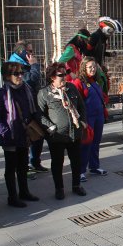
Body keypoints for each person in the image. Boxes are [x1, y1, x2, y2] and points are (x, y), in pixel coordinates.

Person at [0, 61, 39, 207]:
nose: (20, 76)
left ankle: (24, 192)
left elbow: (31, 110)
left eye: (22, 72)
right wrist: (5, 132)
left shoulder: (26, 90)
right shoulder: (0, 94)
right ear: (6, 76)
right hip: (10, 137)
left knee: (23, 166)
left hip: (24, 135)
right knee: (11, 168)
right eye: (16, 73)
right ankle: (12, 197)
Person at [37, 62, 87, 200]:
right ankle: (59, 188)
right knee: (57, 163)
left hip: (74, 133)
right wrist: (51, 127)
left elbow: (82, 106)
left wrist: (83, 122)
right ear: (52, 77)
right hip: (57, 136)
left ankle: (76, 186)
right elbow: (40, 114)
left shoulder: (71, 88)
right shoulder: (44, 93)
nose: (64, 77)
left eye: (65, 74)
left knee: (76, 161)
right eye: (61, 75)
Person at [8, 40, 48, 173]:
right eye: (29, 51)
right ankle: (25, 167)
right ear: (22, 52)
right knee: (26, 137)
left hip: (34, 104)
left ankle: (35, 162)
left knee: (38, 133)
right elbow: (30, 81)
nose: (32, 54)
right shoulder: (15, 66)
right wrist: (35, 65)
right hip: (22, 107)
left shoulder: (24, 64)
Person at [72, 57, 108, 182]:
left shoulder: (95, 81)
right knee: (85, 143)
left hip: (99, 116)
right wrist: (81, 119)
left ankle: (94, 166)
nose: (93, 69)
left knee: (96, 142)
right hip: (87, 118)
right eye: (90, 67)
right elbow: (75, 102)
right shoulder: (78, 82)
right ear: (84, 68)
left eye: (94, 66)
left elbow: (102, 96)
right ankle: (81, 171)